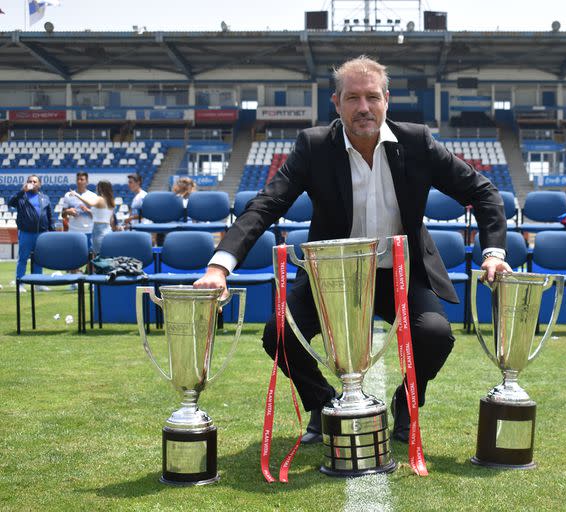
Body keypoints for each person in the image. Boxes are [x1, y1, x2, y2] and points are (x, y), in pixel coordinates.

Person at [193, 55, 511, 444]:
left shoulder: (417, 142)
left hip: (399, 273)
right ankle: (322, 403)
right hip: (332, 276)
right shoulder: (313, 146)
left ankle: (405, 402)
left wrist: (494, 252)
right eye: (353, 98)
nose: (364, 107)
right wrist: (219, 266)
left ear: (387, 100)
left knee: (435, 335)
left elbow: (483, 191)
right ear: (337, 102)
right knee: (279, 334)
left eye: (372, 97)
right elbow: (266, 205)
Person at [8, 175, 54, 292]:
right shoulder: (21, 197)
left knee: (39, 259)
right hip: (26, 233)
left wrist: (52, 232)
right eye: (30, 181)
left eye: (35, 181)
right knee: (23, 259)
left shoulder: (45, 198)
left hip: (41, 234)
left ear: (39, 184)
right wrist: (22, 191)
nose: (32, 183)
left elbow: (49, 217)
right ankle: (20, 283)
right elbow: (10, 202)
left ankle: (38, 283)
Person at [66, 181, 116, 256]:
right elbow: (110, 219)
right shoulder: (111, 201)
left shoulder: (100, 199)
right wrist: (88, 210)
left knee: (97, 257)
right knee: (106, 257)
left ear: (100, 188)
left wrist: (76, 195)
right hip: (108, 230)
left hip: (99, 231)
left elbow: (90, 203)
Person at [60, 172, 98, 249]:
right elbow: (63, 214)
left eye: (82, 179)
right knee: (73, 257)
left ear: (87, 182)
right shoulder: (68, 195)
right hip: (73, 231)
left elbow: (97, 216)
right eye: (78, 179)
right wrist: (68, 211)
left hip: (89, 231)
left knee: (89, 257)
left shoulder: (93, 196)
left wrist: (88, 210)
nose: (79, 181)